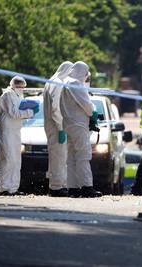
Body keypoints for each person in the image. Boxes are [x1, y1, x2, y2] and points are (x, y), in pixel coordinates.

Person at [60, 61, 102, 198]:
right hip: (78, 125)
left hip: (68, 124)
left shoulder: (65, 83)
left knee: (71, 157)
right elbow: (86, 104)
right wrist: (93, 113)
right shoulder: (75, 84)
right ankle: (86, 187)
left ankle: (72, 188)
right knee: (83, 156)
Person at [0, 76, 37, 195]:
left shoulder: (17, 95)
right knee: (8, 159)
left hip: (15, 131)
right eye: (20, 87)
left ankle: (13, 188)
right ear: (15, 86)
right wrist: (30, 112)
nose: (22, 89)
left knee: (16, 160)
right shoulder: (8, 95)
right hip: (7, 131)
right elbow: (13, 113)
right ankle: (4, 187)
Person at [43, 61, 73, 197]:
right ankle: (56, 187)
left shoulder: (51, 81)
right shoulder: (58, 83)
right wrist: (61, 128)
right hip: (57, 127)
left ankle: (57, 185)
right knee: (59, 158)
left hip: (52, 126)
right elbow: (56, 108)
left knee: (56, 157)